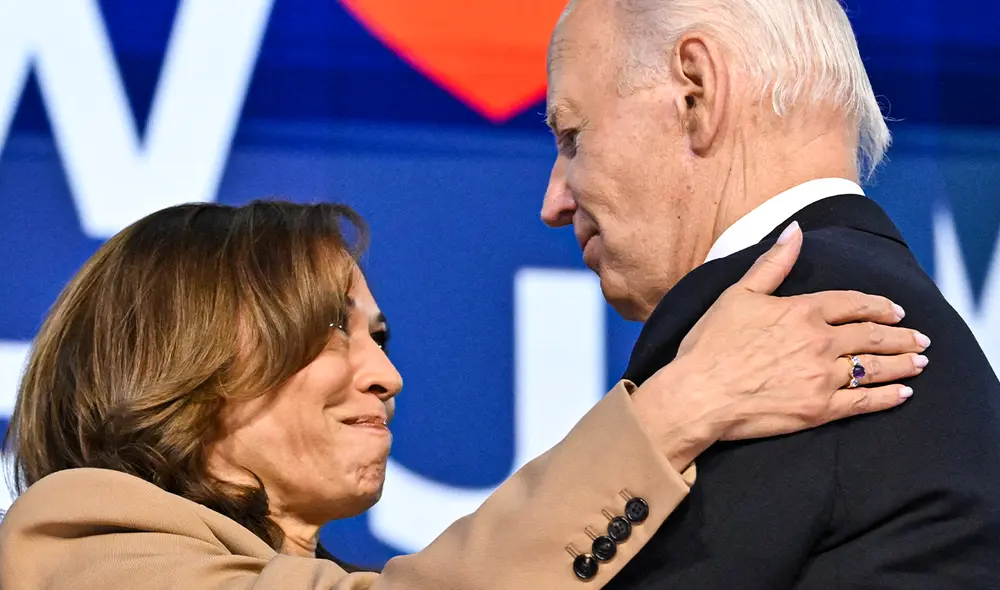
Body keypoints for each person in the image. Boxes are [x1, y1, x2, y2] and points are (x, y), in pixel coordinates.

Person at [0, 201, 925, 589]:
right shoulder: (80, 544)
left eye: (381, 337)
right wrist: (676, 412)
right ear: (180, 354)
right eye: (332, 327)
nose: (386, 374)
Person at [541, 0, 1000, 588]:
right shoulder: (905, 309)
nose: (553, 202)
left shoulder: (766, 326)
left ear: (696, 91)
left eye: (573, 137)